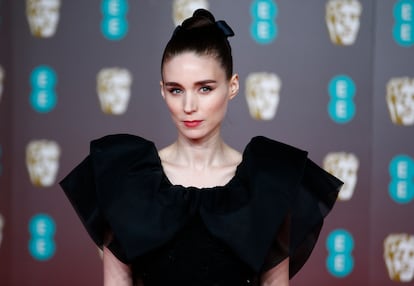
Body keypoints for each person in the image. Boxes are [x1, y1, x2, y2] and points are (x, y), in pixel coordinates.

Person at [60, 9, 343, 286]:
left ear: (232, 86)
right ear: (162, 90)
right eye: (176, 90)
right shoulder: (127, 179)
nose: (188, 106)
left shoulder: (268, 181)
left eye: (204, 88)